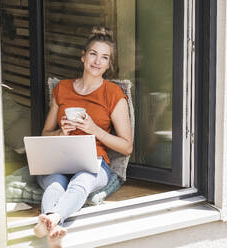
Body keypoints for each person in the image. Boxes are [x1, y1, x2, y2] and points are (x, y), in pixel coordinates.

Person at [33, 27, 133, 248]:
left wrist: (94, 129)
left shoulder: (114, 94)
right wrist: (61, 133)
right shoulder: (63, 88)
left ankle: (50, 219)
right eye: (93, 54)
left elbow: (126, 147)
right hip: (58, 157)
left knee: (81, 181)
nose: (97, 61)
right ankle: (53, 229)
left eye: (104, 57)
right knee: (55, 185)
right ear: (83, 56)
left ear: (109, 64)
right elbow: (44, 135)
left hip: (94, 162)